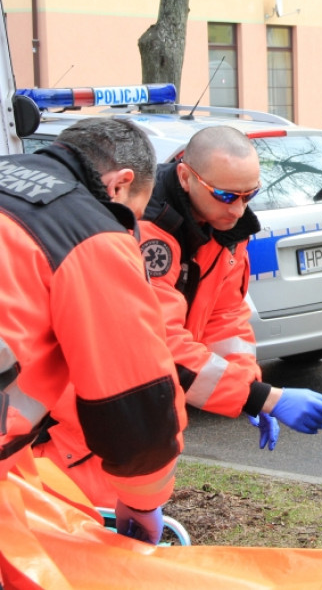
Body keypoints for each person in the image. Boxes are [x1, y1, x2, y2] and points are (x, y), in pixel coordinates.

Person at [36, 124, 322, 508]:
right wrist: (261, 398)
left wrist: (246, 384)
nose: (238, 208)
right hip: (78, 422)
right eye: (226, 195)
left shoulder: (227, 229)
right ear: (185, 177)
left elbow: (226, 318)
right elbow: (156, 344)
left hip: (119, 419)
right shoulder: (142, 230)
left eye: (250, 194)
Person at [0, 123, 187, 546]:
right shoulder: (89, 231)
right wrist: (142, 502)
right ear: (121, 185)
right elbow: (135, 395)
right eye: (133, 217)